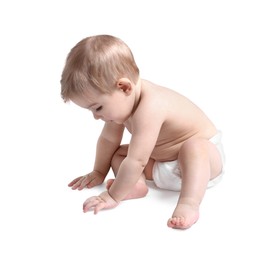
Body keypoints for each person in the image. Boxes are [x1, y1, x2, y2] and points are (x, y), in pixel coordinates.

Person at [60, 34, 225, 229]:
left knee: (194, 147)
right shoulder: (123, 104)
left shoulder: (152, 106)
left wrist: (112, 196)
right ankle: (136, 184)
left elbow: (137, 160)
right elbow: (108, 139)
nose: (96, 117)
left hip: (202, 167)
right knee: (119, 153)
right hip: (163, 165)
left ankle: (189, 202)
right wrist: (99, 171)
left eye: (97, 108)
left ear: (124, 87)